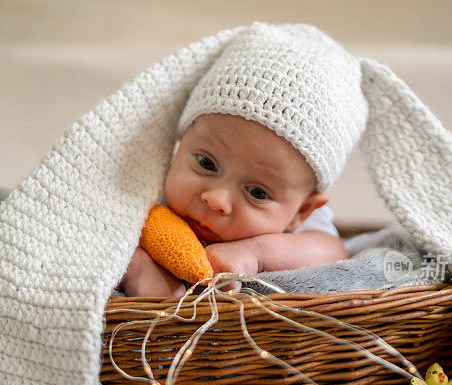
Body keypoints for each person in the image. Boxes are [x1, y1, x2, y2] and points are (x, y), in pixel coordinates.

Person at [120, 113, 349, 297]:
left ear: (301, 212)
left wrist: (255, 253)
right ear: (177, 147)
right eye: (206, 163)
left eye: (257, 193)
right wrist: (137, 266)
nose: (216, 199)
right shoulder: (151, 186)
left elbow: (333, 251)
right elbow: (101, 225)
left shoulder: (299, 224)